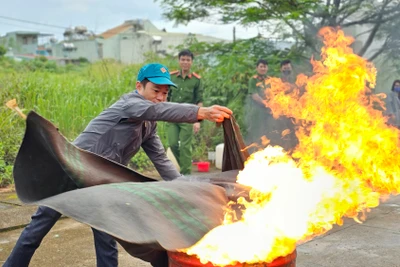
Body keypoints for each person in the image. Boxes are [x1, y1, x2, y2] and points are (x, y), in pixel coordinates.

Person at [3, 63, 232, 267]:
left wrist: (187, 186)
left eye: (165, 93)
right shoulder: (130, 104)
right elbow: (155, 109)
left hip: (100, 181)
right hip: (71, 170)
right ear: (139, 87)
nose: (161, 97)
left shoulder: (148, 124)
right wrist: (199, 112)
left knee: (106, 235)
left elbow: (160, 159)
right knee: (38, 228)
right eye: (156, 90)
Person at [167, 49, 203, 175]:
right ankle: (184, 167)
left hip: (188, 116)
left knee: (185, 146)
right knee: (172, 144)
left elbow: (199, 101)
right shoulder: (171, 77)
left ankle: (186, 175)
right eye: (183, 59)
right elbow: (166, 96)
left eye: (188, 60)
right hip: (172, 116)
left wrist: (197, 121)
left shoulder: (196, 80)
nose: (185, 62)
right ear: (179, 61)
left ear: (192, 62)